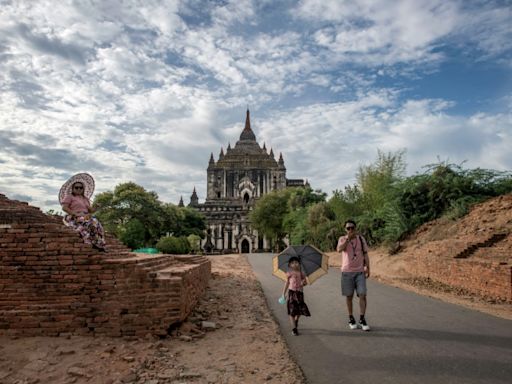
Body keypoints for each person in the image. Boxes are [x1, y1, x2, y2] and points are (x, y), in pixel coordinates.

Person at [336, 219, 370, 331]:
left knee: (362, 294)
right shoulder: (342, 238)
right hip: (346, 272)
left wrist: (368, 268)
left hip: (360, 271)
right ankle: (351, 318)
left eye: (352, 228)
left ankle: (362, 318)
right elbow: (339, 250)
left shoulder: (361, 239)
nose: (350, 230)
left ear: (356, 228)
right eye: (348, 228)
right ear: (345, 229)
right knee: (349, 296)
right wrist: (347, 240)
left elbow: (365, 254)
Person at [59, 173, 107, 252]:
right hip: (73, 216)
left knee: (97, 224)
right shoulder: (70, 197)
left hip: (85, 216)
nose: (78, 189)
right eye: (76, 187)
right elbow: (64, 207)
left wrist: (96, 207)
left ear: (83, 189)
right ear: (73, 188)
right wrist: (75, 214)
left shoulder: (85, 199)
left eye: (80, 188)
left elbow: (90, 210)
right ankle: (89, 242)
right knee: (88, 222)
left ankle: (98, 244)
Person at [281, 256, 311, 336]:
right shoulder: (289, 273)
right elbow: (286, 283)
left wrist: (303, 283)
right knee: (291, 312)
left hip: (300, 294)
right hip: (291, 294)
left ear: (299, 264)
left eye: (296, 262)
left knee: (300, 311)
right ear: (290, 265)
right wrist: (283, 294)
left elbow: (305, 283)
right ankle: (294, 329)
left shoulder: (302, 273)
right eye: (292, 263)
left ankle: (296, 320)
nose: (295, 264)